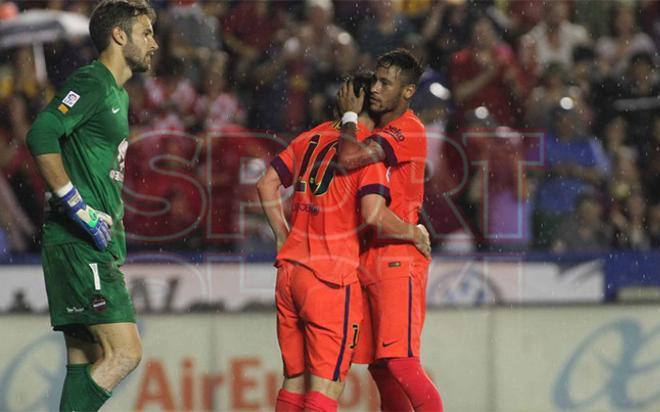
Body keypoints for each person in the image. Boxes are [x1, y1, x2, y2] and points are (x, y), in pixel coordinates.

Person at [257, 72, 431, 412]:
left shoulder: (310, 137)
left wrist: (282, 233)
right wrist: (415, 232)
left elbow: (266, 184)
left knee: (294, 380)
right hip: (330, 278)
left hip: (289, 271)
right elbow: (373, 214)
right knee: (325, 387)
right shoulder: (364, 153)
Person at [25, 1, 158, 411]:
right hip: (80, 242)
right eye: (147, 33)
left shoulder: (115, 93)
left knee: (83, 363)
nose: (154, 43)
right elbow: (41, 134)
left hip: (86, 245)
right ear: (119, 35)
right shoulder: (92, 81)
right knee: (125, 353)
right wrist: (77, 205)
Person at [336, 49, 443, 411]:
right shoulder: (380, 131)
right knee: (381, 368)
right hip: (369, 256)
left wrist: (349, 116)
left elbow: (348, 158)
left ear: (408, 91)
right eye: (376, 81)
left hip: (398, 255)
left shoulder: (408, 129)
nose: (377, 89)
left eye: (386, 82)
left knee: (401, 362)